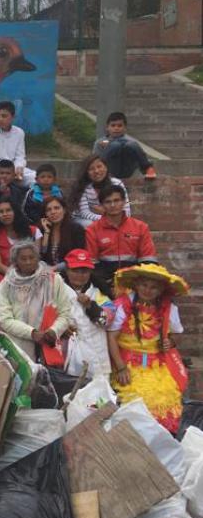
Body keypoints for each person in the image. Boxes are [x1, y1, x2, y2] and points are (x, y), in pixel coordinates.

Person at [107, 263, 188, 433]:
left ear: (161, 290)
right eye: (144, 285)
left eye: (154, 287)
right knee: (136, 400)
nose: (148, 290)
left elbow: (176, 333)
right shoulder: (123, 304)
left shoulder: (168, 308)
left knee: (167, 398)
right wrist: (120, 367)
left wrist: (171, 342)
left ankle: (161, 442)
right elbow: (112, 336)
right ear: (136, 284)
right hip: (127, 364)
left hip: (158, 365)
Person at [0, 241, 73, 361]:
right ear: (15, 262)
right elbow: (5, 320)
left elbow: (65, 313)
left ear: (38, 258)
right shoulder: (7, 284)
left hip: (50, 345)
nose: (28, 262)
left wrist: (54, 331)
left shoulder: (54, 279)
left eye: (31, 258)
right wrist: (32, 333)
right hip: (19, 346)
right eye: (23, 259)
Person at [85, 184, 156, 292]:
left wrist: (133, 284)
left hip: (135, 285)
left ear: (124, 202)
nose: (113, 205)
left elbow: (148, 262)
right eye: (108, 202)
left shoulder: (141, 227)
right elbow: (92, 265)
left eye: (116, 200)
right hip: (104, 285)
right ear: (102, 205)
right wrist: (107, 287)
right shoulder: (92, 230)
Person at [59, 249, 112, 378]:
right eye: (75, 270)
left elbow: (106, 321)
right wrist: (61, 327)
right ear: (67, 270)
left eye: (84, 271)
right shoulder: (55, 289)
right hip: (67, 354)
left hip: (97, 354)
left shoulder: (100, 293)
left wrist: (90, 306)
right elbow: (43, 317)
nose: (80, 275)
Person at [0, 197, 40, 284]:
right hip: (6, 278)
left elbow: (36, 259)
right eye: (1, 212)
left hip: (32, 276)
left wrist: (26, 277)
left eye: (8, 210)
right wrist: (18, 276)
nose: (5, 214)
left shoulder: (33, 231)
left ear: (15, 211)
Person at [0, 101, 34, 185]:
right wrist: (6, 170)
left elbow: (20, 156)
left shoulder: (19, 132)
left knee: (34, 177)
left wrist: (18, 168)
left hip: (14, 168)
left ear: (12, 117)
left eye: (4, 116)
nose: (0, 119)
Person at [71, 154, 131, 228]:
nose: (96, 171)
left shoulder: (117, 183)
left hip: (112, 219)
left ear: (106, 167)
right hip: (83, 219)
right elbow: (84, 213)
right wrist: (108, 218)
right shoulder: (83, 186)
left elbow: (127, 210)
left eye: (99, 166)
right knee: (91, 225)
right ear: (86, 172)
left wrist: (107, 214)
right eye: (91, 169)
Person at [94, 111, 157, 180]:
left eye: (120, 126)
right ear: (107, 127)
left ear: (125, 128)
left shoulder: (131, 142)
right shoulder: (100, 142)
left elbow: (140, 157)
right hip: (109, 170)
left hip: (127, 169)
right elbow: (94, 159)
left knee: (131, 144)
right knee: (115, 145)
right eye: (113, 125)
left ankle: (148, 169)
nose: (116, 128)